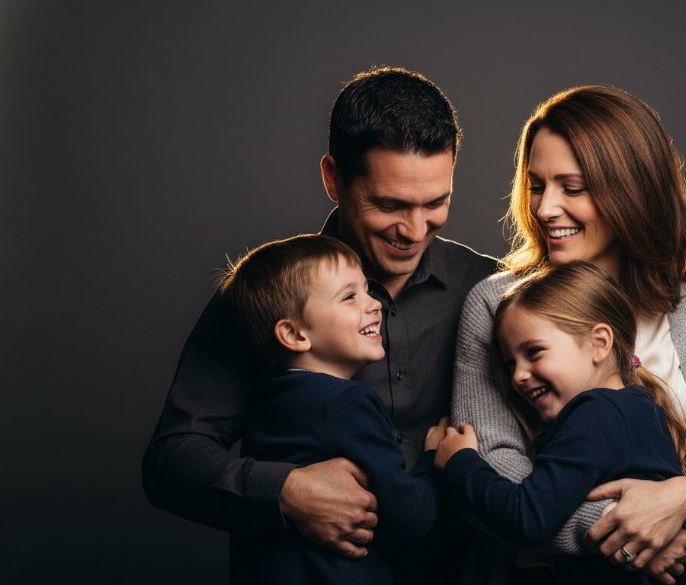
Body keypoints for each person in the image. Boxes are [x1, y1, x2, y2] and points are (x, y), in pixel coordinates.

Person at [142, 67, 497, 584]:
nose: (415, 230)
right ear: (333, 178)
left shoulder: (489, 289)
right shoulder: (269, 297)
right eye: (389, 204)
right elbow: (170, 461)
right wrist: (286, 491)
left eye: (436, 203)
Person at [451, 85, 686, 584]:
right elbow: (492, 468)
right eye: (536, 185)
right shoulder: (497, 306)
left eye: (572, 188)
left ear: (630, 191)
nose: (545, 209)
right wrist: (636, 533)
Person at [436, 261, 686, 585]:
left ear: (600, 343)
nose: (517, 376)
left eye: (534, 352)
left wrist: (461, 462)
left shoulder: (596, 415)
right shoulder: (636, 408)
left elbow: (527, 518)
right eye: (510, 362)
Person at [220, 233, 450, 584]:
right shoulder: (347, 402)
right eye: (349, 297)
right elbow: (410, 518)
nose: (374, 304)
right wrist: (433, 461)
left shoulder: (271, 398)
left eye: (367, 290)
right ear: (295, 335)